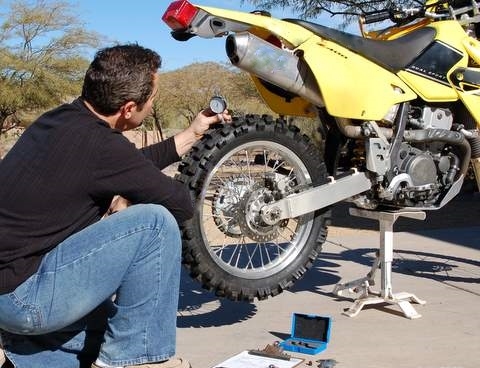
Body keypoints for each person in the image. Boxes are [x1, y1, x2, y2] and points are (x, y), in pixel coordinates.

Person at [0, 44, 231, 368]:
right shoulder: (103, 148)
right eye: (151, 101)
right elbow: (180, 205)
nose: (152, 108)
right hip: (25, 299)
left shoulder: (60, 121)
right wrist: (128, 200)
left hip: (9, 292)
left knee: (112, 327)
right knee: (154, 224)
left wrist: (190, 135)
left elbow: (127, 166)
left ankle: (32, 360)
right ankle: (132, 360)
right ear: (129, 108)